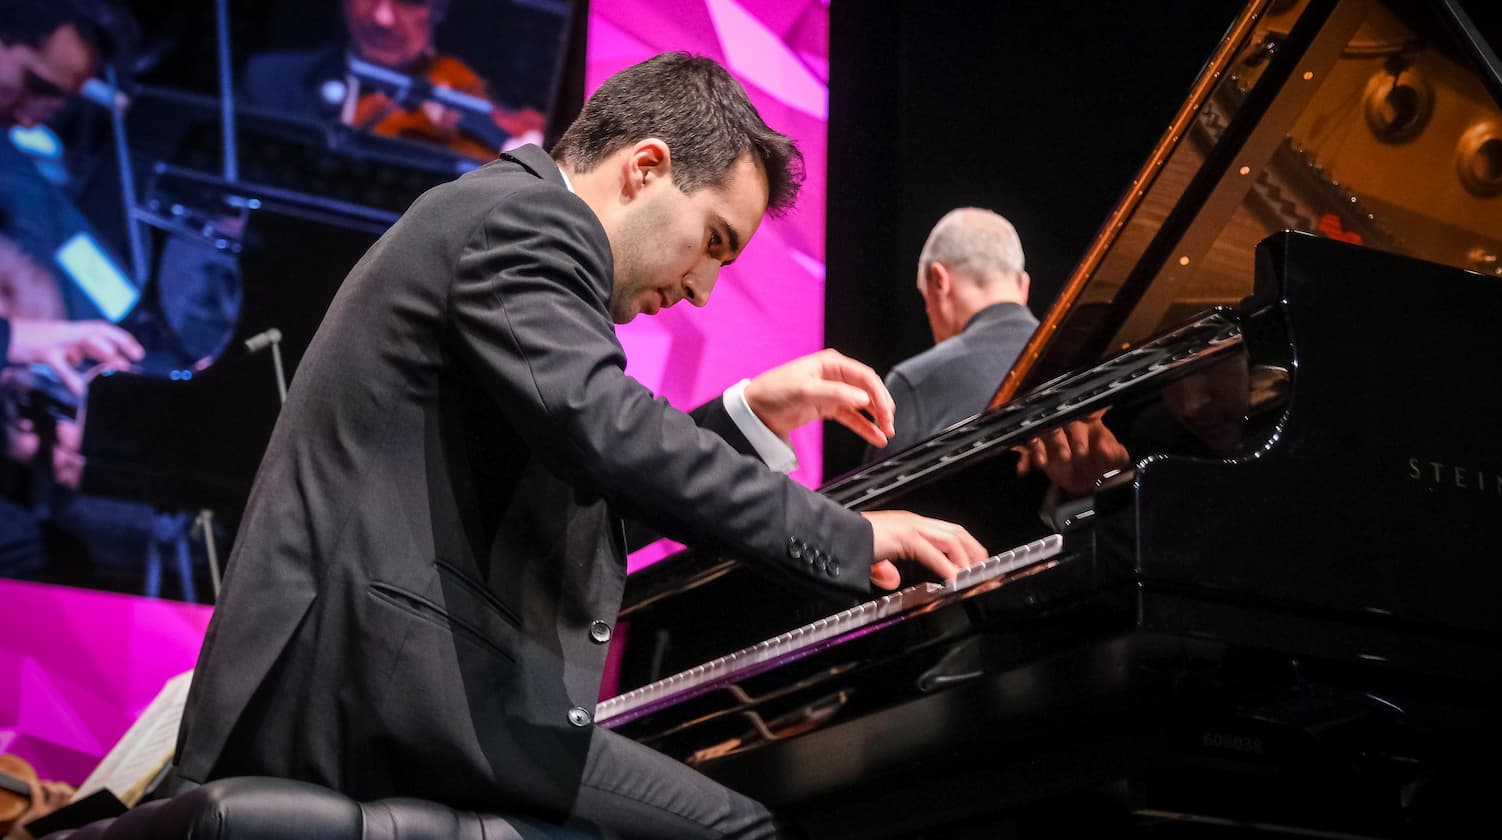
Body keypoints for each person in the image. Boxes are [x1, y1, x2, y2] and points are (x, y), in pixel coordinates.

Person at [169, 51, 986, 837]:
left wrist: (749, 411)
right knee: (743, 829)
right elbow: (606, 430)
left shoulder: (500, 226)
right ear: (645, 167)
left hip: (389, 682)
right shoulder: (523, 219)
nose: (703, 289)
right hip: (367, 692)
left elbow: (589, 473)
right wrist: (848, 532)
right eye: (713, 241)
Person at [0, 0, 147, 580]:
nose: (34, 118)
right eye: (33, 84)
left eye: (55, 98)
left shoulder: (19, 173)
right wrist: (18, 341)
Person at [240, 0, 545, 160]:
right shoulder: (271, 81)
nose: (382, 17)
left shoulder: (470, 95)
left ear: (439, 9)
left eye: (410, 0)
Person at [863, 207, 1043, 463]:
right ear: (1023, 285)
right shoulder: (1085, 355)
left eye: (926, 300)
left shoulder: (916, 383)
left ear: (939, 281)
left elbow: (875, 504)